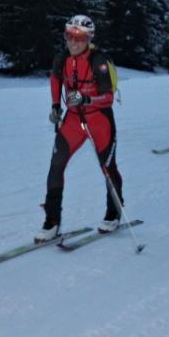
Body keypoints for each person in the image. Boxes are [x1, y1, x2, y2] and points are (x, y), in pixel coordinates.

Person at [38, 15, 123, 242]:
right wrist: (55, 105)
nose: (74, 42)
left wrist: (87, 99)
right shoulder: (62, 58)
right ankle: (52, 221)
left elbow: (108, 97)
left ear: (89, 38)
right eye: (70, 36)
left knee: (107, 167)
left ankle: (114, 213)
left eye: (80, 38)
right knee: (56, 166)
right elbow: (55, 79)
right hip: (74, 120)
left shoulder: (99, 61)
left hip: (99, 119)